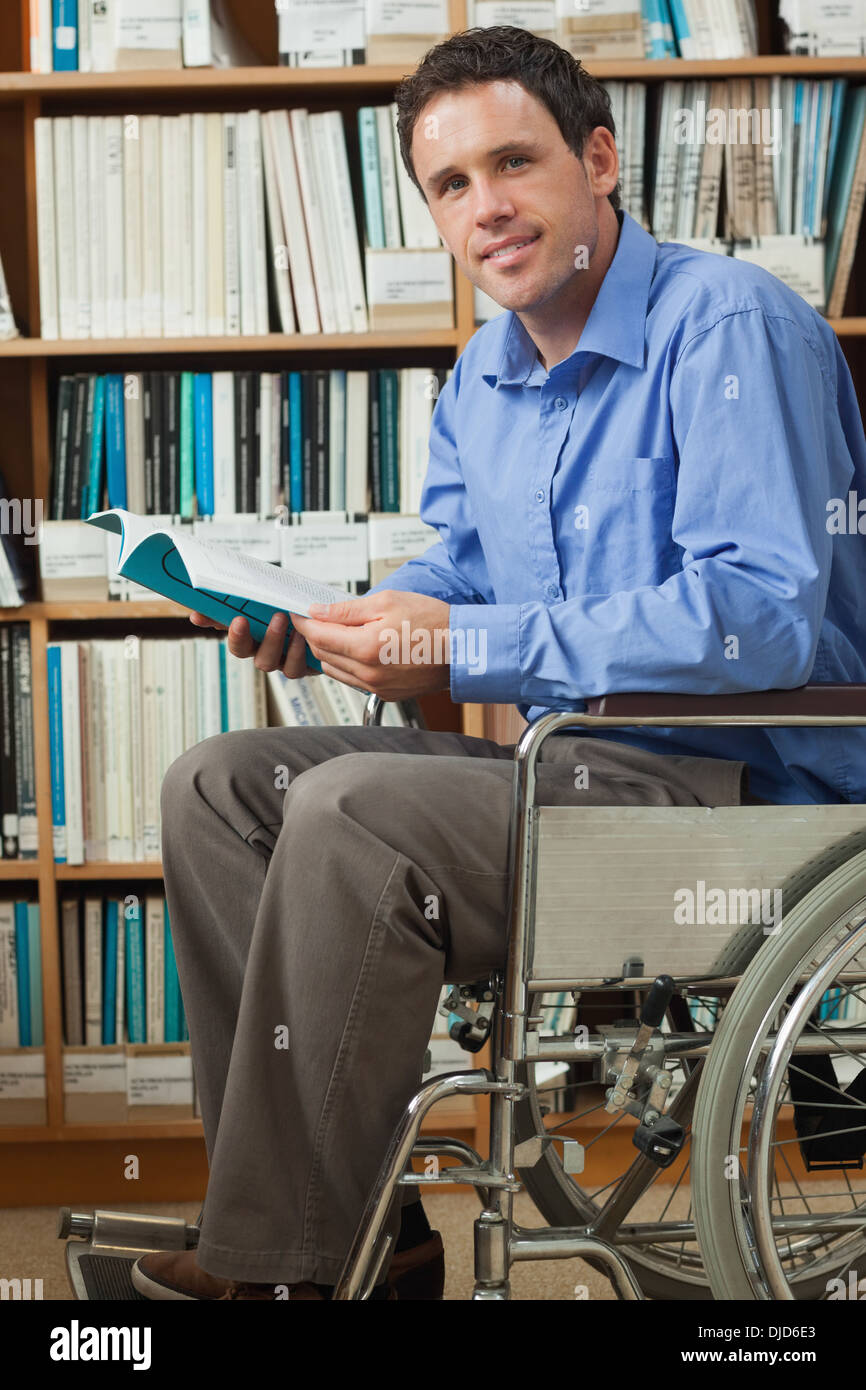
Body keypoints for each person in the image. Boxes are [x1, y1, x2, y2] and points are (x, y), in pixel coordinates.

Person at [132, 26, 866, 1300]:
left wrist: (460, 643)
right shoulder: (483, 372)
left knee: (355, 807)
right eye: (450, 186)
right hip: (572, 777)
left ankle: (286, 1267)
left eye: (511, 163)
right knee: (219, 785)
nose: (486, 210)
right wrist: (346, 623)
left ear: (597, 160)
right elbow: (462, 576)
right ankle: (369, 1228)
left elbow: (759, 618)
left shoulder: (730, 327)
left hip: (745, 803)